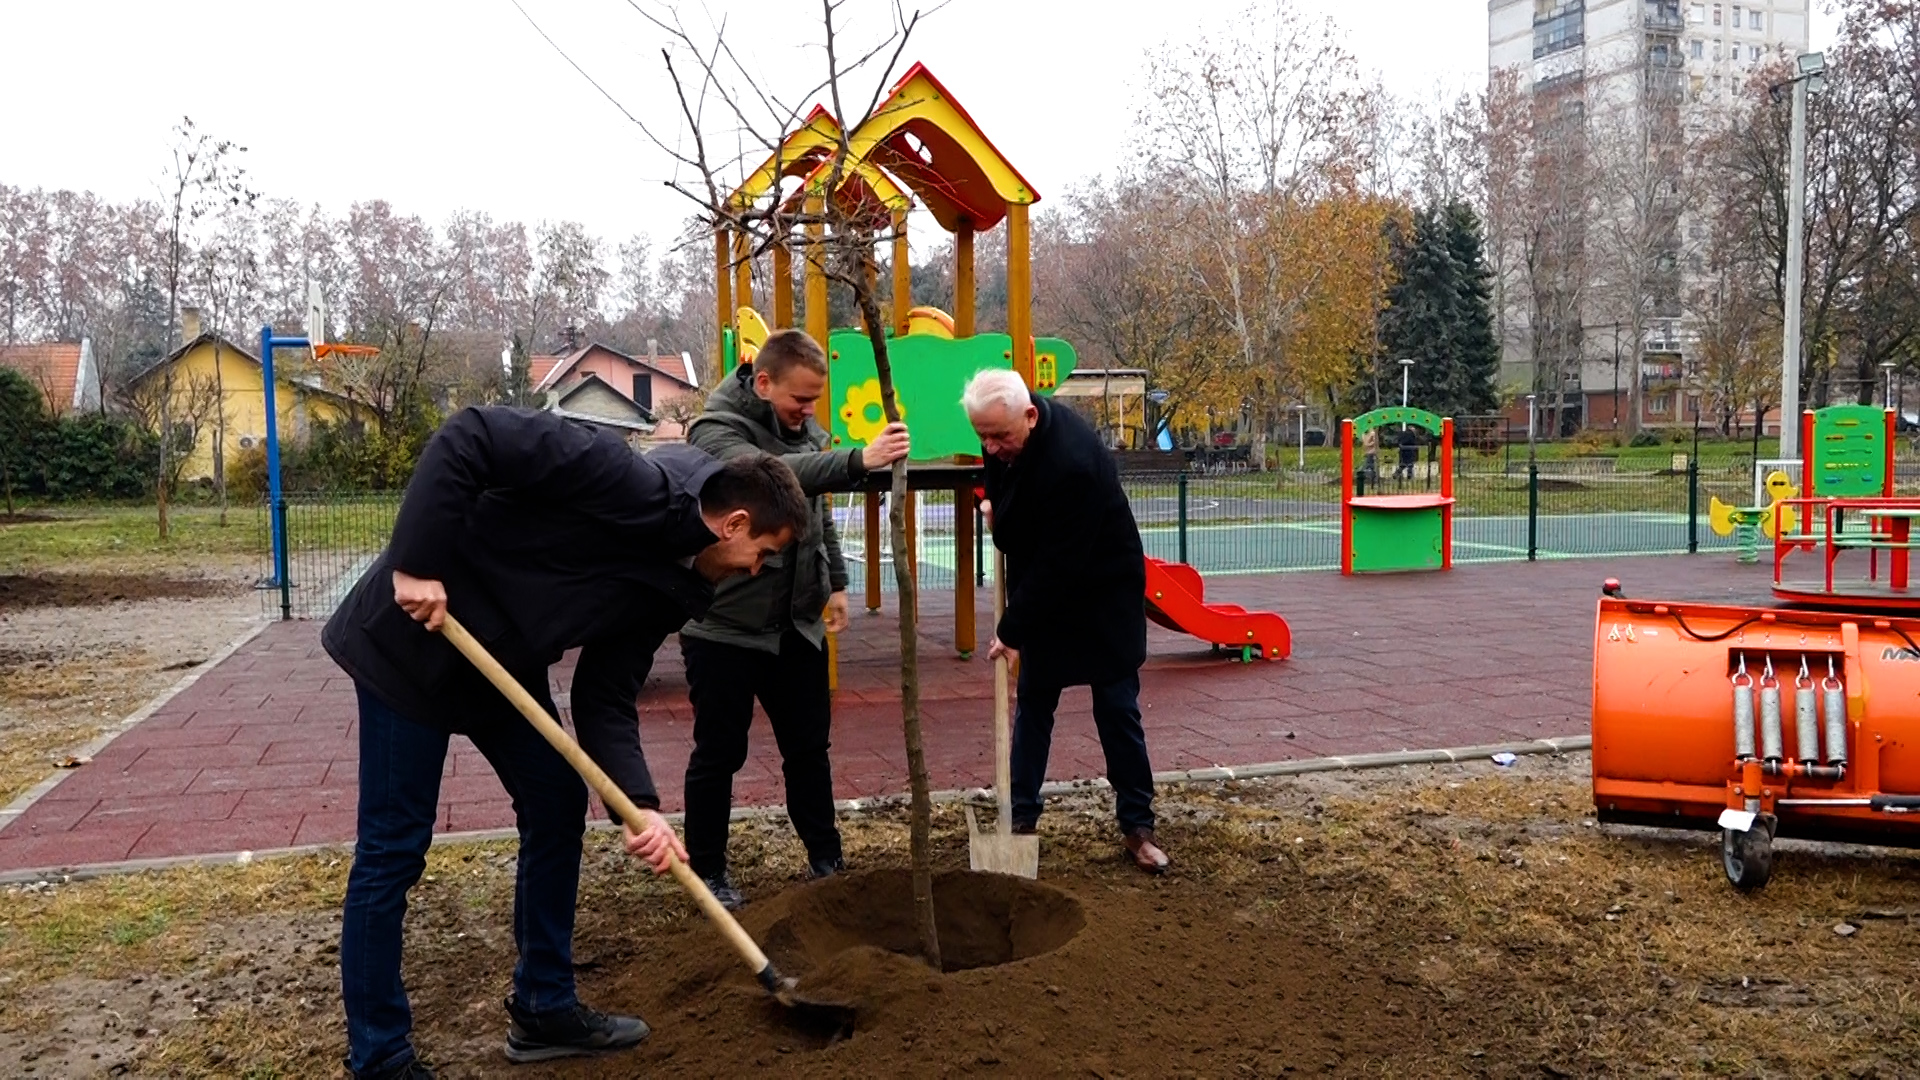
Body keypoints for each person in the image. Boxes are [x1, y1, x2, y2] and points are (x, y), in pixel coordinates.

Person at [322, 406, 809, 1080]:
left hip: (502, 661)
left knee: (555, 800)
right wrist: (415, 563)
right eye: (763, 554)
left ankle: (543, 1006)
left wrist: (638, 805)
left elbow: (605, 695)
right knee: (393, 849)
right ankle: (378, 1054)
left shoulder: (682, 583)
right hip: (412, 647)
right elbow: (471, 436)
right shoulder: (620, 477)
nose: (758, 571)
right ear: (734, 525)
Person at [679, 329, 911, 910]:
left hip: (795, 626)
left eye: (814, 401)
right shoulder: (714, 431)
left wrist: (834, 582)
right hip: (725, 628)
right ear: (763, 382)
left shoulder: (806, 432)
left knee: (809, 749)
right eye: (799, 400)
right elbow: (776, 477)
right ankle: (707, 869)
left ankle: (826, 858)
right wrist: (858, 458)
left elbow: (813, 511)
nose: (809, 412)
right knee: (719, 752)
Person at [962, 368, 1170, 874]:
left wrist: (1011, 630)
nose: (990, 448)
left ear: (1030, 416)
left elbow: (1060, 565)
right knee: (1034, 703)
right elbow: (1004, 504)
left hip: (1102, 589)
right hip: (1048, 581)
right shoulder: (1004, 433)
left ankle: (1137, 826)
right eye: (981, 436)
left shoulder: (1073, 462)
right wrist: (996, 511)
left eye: (999, 436)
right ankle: (1021, 821)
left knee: (1117, 707)